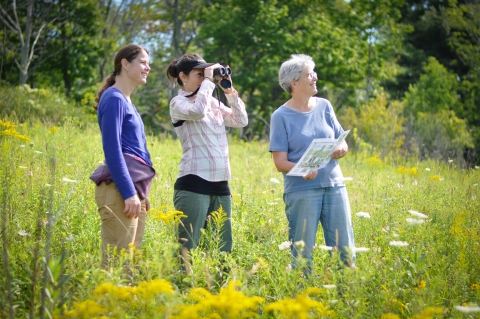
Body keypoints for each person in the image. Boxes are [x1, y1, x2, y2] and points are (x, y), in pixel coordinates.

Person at [269, 54, 355, 275]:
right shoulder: (280, 116)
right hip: (302, 190)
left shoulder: (325, 106)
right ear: (294, 83)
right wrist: (303, 170)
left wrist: (343, 147)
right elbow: (279, 162)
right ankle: (302, 302)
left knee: (344, 251)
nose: (315, 77)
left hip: (335, 186)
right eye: (310, 74)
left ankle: (346, 299)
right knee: (302, 255)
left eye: (314, 72)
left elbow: (340, 137)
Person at [166, 54, 248, 272]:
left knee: (222, 248)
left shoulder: (212, 100)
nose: (204, 79)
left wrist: (229, 91)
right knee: (187, 250)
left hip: (221, 183)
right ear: (183, 76)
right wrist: (209, 83)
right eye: (199, 75)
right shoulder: (178, 103)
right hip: (193, 182)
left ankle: (219, 296)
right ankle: (182, 294)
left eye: (206, 74)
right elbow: (198, 111)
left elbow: (241, 121)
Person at [90, 44, 156, 269]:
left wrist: (140, 192)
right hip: (119, 191)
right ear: (125, 64)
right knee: (116, 265)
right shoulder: (114, 99)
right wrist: (129, 192)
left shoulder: (128, 102)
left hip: (131, 190)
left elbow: (137, 152)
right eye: (143, 62)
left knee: (129, 264)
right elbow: (113, 150)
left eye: (148, 63)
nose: (148, 67)